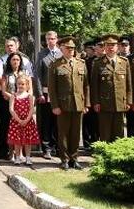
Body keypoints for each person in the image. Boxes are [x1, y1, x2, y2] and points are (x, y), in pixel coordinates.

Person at [48, 36, 90, 170]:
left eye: (72, 48)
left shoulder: (81, 63)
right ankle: (64, 159)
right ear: (62, 49)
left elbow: (86, 86)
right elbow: (52, 88)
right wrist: (55, 106)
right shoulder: (55, 64)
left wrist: (86, 104)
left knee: (76, 133)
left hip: (78, 103)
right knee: (63, 133)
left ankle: (74, 158)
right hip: (63, 105)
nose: (71, 50)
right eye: (68, 48)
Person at [90, 34, 132, 142]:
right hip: (104, 104)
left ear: (117, 46)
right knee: (105, 132)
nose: (111, 47)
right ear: (104, 47)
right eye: (108, 45)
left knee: (119, 134)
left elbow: (128, 84)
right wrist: (95, 102)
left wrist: (128, 101)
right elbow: (94, 85)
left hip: (120, 103)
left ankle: (117, 157)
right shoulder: (98, 63)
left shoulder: (124, 62)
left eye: (113, 45)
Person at [35, 31, 60, 160]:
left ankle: (57, 146)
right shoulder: (41, 54)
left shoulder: (61, 54)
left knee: (58, 122)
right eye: (48, 39)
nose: (51, 41)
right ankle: (47, 148)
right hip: (45, 93)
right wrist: (39, 93)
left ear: (57, 39)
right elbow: (38, 75)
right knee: (46, 121)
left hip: (59, 95)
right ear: (46, 40)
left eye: (53, 38)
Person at [8, 74, 40, 165]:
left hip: (28, 122)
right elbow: (11, 109)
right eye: (19, 84)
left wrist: (26, 120)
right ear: (16, 85)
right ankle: (17, 157)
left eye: (23, 84)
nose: (20, 86)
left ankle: (28, 158)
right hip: (16, 122)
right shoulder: (13, 96)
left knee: (28, 141)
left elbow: (31, 109)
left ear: (27, 85)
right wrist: (18, 120)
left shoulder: (30, 96)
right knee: (17, 141)